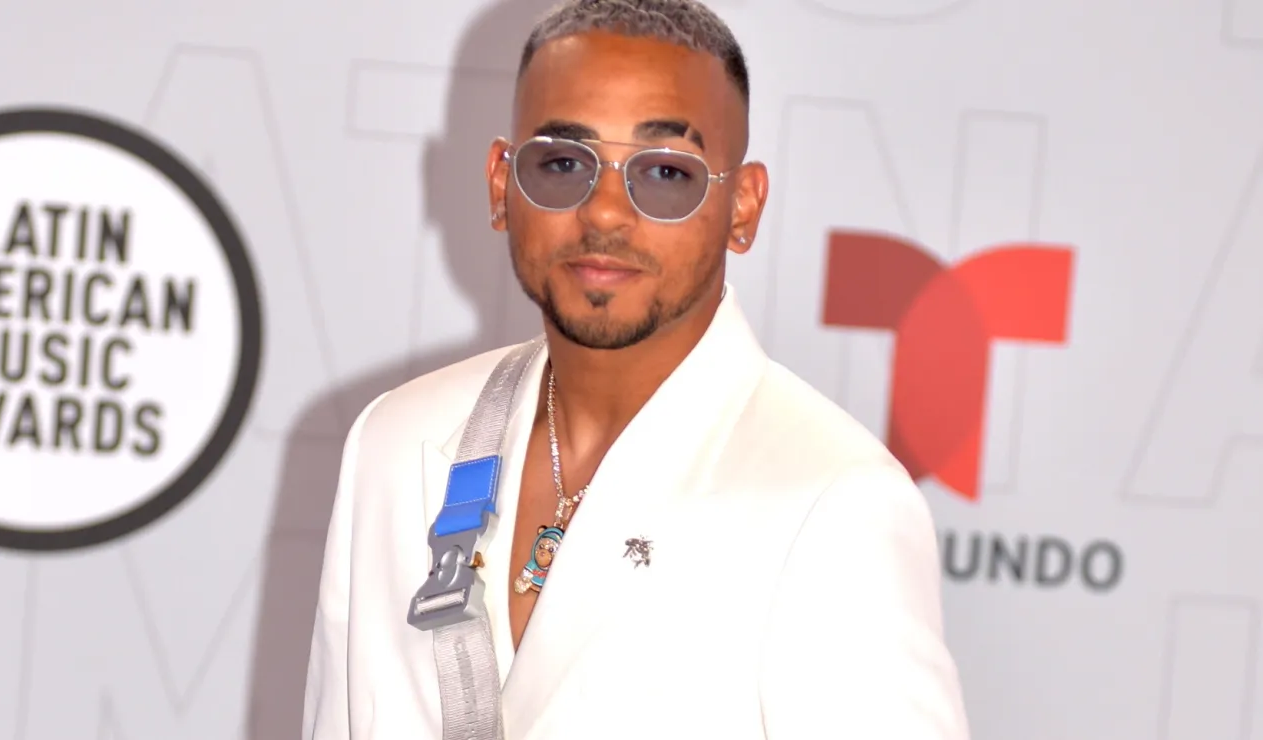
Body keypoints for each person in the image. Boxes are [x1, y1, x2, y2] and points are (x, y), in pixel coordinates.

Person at [302, 0, 970, 738]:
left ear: (742, 207)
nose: (605, 213)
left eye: (665, 173)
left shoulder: (833, 500)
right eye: (563, 164)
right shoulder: (394, 444)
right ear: (501, 183)